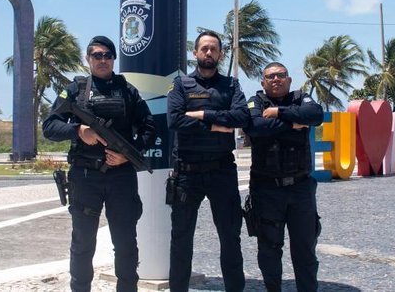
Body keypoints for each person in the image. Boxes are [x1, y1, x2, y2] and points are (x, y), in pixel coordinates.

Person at [43, 35, 156, 292]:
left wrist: (130, 154)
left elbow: (150, 127)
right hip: (85, 177)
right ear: (88, 59)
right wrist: (78, 131)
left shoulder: (128, 91)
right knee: (83, 243)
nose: (102, 60)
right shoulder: (75, 90)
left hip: (121, 177)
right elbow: (49, 126)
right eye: (97, 55)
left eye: (107, 55)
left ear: (114, 59)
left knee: (126, 242)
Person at [166, 31, 250, 292]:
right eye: (204, 48)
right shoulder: (181, 85)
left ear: (221, 54)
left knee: (230, 238)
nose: (209, 53)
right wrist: (215, 126)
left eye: (214, 49)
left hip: (222, 172)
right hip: (187, 175)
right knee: (181, 240)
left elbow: (241, 118)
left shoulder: (232, 86)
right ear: (196, 53)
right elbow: (175, 121)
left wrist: (202, 114)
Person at [244, 62, 324, 292]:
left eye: (280, 75)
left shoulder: (301, 98)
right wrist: (294, 124)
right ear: (263, 82)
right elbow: (256, 126)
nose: (276, 79)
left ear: (289, 80)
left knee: (305, 249)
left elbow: (315, 114)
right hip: (266, 189)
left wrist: (279, 113)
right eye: (270, 76)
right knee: (269, 250)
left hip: (300, 188)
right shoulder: (256, 102)